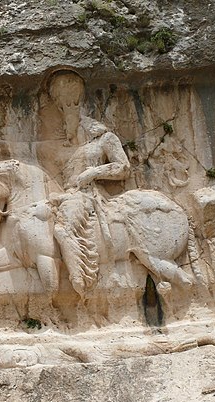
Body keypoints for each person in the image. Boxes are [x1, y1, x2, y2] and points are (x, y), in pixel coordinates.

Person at [47, 72, 130, 298]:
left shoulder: (105, 139)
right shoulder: (66, 147)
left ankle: (80, 280)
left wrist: (94, 172)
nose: (65, 122)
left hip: (89, 196)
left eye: (70, 111)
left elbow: (123, 167)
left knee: (62, 228)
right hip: (68, 195)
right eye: (62, 110)